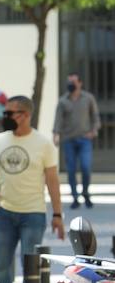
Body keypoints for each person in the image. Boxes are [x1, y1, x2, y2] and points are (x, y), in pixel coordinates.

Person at [0, 96, 64, 283]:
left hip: (33, 214)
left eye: (11, 113)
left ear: (26, 115)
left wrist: (57, 215)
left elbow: (53, 181)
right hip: (3, 213)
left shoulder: (44, 143)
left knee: (31, 266)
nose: (5, 117)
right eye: (5, 113)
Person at [54, 73, 99, 210]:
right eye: (69, 82)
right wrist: (56, 134)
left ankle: (85, 193)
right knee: (71, 170)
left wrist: (94, 130)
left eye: (73, 82)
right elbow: (58, 120)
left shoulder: (88, 98)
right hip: (68, 140)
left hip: (85, 139)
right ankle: (75, 197)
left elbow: (95, 116)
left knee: (86, 167)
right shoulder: (63, 101)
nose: (71, 84)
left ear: (80, 83)